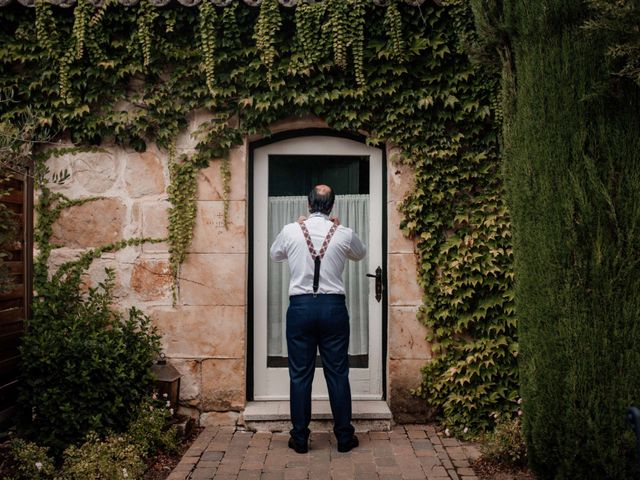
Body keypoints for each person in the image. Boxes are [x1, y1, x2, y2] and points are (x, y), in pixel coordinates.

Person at [270, 184, 366, 454]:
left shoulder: (291, 230)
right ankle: (344, 437)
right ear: (332, 206)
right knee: (337, 372)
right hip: (333, 308)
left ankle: (300, 438)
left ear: (308, 204)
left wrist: (296, 225)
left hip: (300, 308)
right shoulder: (343, 233)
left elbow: (275, 255)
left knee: (300, 375)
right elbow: (360, 253)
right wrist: (340, 226)